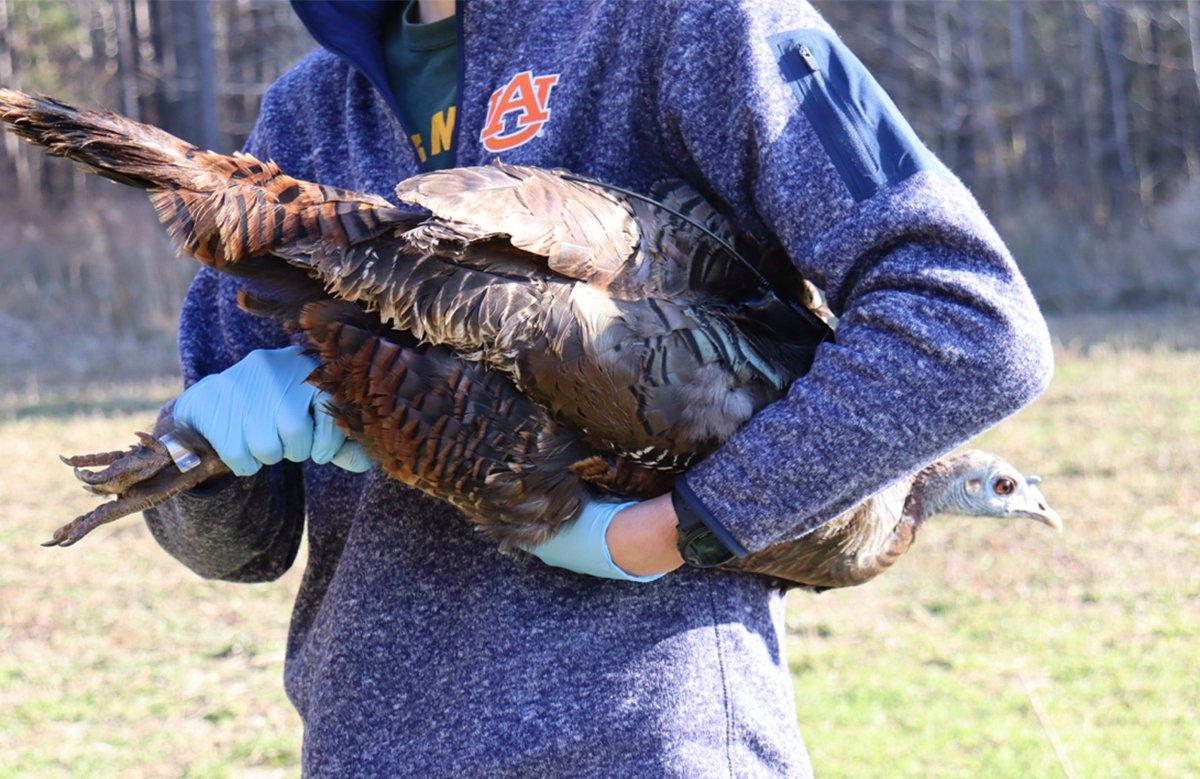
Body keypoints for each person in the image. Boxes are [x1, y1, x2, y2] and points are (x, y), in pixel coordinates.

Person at [144, 0, 1054, 775]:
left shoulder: (695, 25)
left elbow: (967, 321)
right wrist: (208, 442)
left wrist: (679, 526)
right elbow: (240, 547)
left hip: (641, 743)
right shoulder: (309, 111)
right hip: (367, 748)